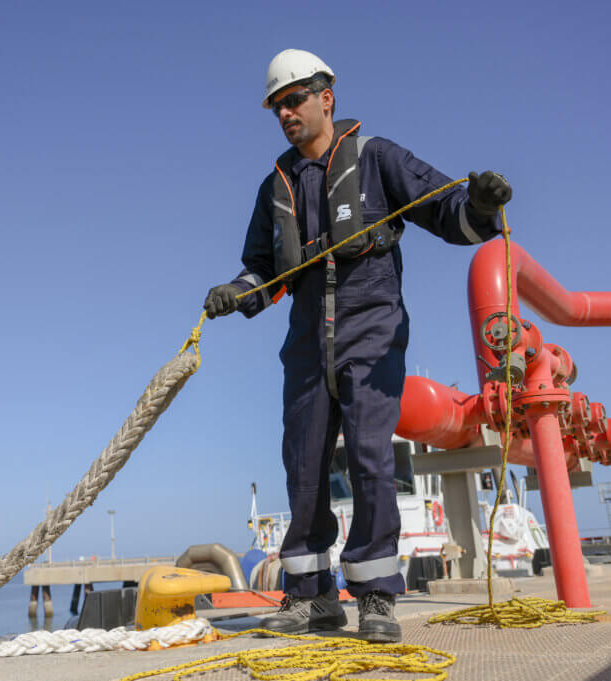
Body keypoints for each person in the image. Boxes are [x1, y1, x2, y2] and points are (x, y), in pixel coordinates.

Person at [203, 49, 512, 641]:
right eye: (277, 107)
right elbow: (262, 273)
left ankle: (375, 598)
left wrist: (481, 205)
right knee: (305, 466)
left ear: (327, 97)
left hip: (371, 326)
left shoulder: (378, 159)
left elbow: (450, 212)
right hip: (304, 342)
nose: (286, 112)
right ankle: (312, 598)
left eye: (294, 99)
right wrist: (233, 291)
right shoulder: (276, 185)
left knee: (371, 460)